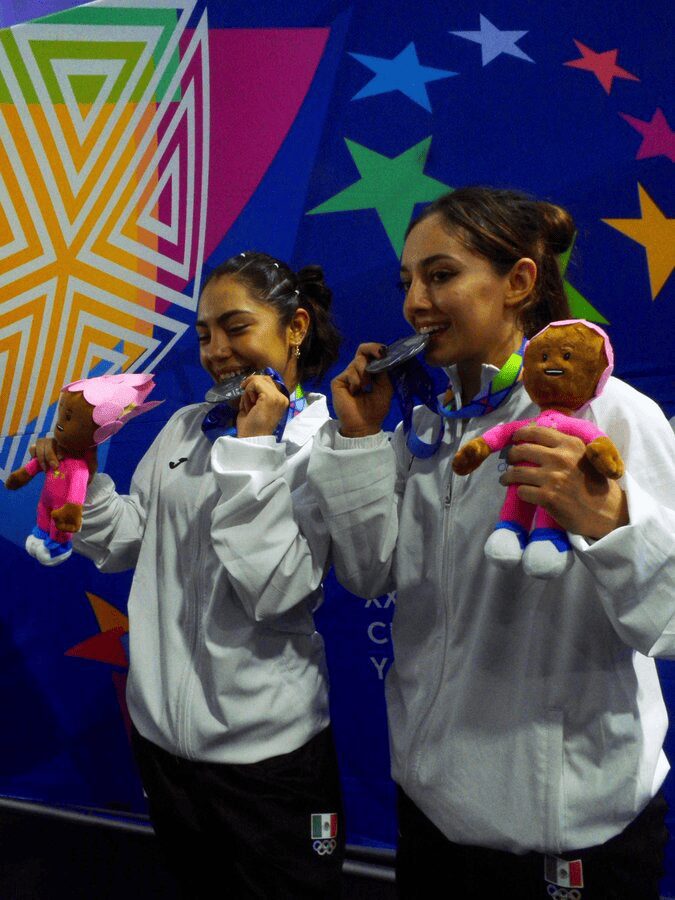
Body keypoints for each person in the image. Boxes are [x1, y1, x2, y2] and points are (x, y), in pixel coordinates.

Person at [306, 187, 675, 899]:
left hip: (562, 829)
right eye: (407, 281)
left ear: (517, 283)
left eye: (440, 276)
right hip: (432, 809)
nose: (415, 301)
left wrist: (608, 521)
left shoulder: (611, 414)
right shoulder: (433, 421)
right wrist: (355, 440)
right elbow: (369, 573)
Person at [34, 252, 344, 898]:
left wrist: (253, 451)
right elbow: (122, 540)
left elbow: (275, 591)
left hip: (268, 760)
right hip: (163, 748)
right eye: (204, 335)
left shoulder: (323, 443)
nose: (216, 351)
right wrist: (81, 471)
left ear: (294, 327)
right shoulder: (184, 428)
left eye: (236, 328)